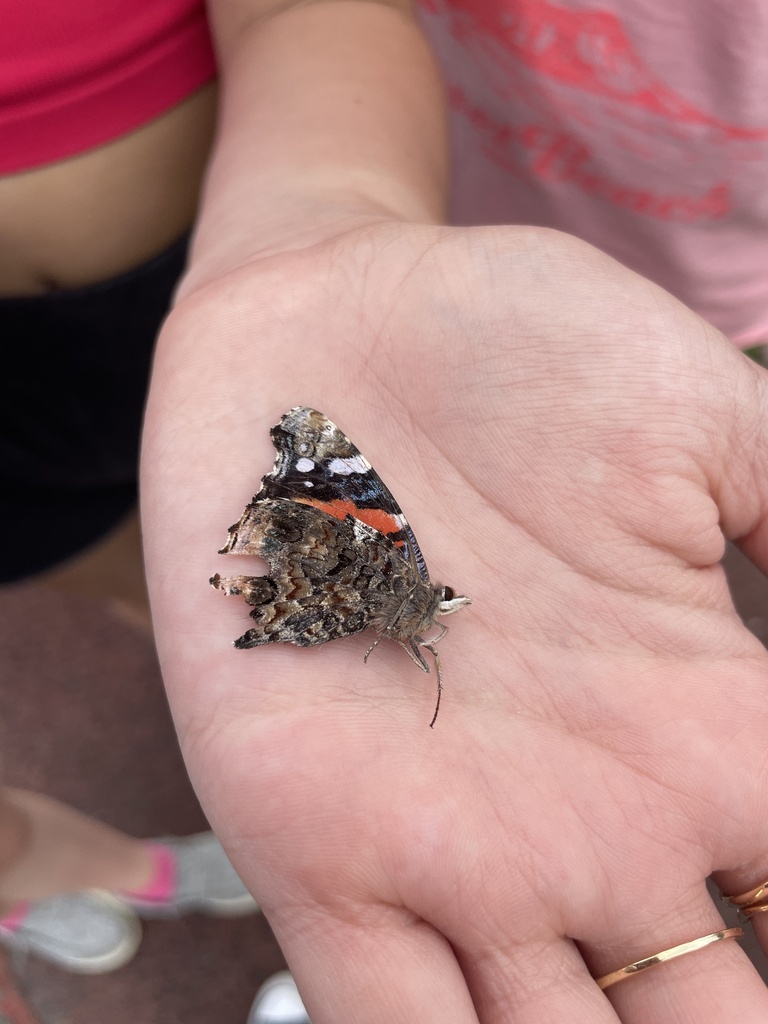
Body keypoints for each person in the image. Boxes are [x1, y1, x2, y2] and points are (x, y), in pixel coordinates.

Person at [3, 2, 768, 1023]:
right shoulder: (404, 586)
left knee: (177, 568)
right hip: (84, 394)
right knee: (114, 557)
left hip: (192, 231)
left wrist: (311, 231)